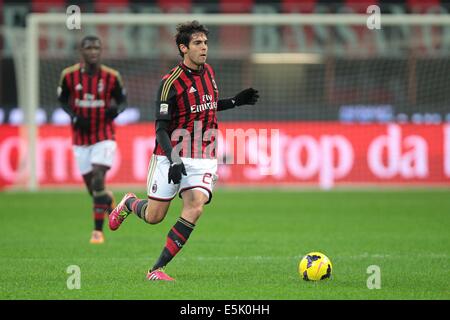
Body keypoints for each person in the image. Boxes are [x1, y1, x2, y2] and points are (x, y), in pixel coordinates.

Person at [109, 21, 259, 281]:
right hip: (170, 155)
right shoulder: (170, 83)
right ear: (183, 48)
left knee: (195, 206)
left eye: (206, 43)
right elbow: (160, 129)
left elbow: (207, 105)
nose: (204, 48)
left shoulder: (208, 72)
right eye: (198, 43)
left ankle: (156, 270)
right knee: (154, 216)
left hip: (203, 156)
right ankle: (129, 203)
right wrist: (174, 159)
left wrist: (236, 101)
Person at [57, 35, 127, 244]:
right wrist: (75, 116)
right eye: (89, 48)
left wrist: (116, 111)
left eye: (97, 48)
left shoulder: (112, 76)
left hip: (104, 135)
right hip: (80, 138)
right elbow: (62, 101)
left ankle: (98, 232)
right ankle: (108, 199)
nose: (93, 51)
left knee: (98, 177)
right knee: (93, 189)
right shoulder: (68, 76)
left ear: (101, 51)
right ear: (82, 51)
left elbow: (122, 101)